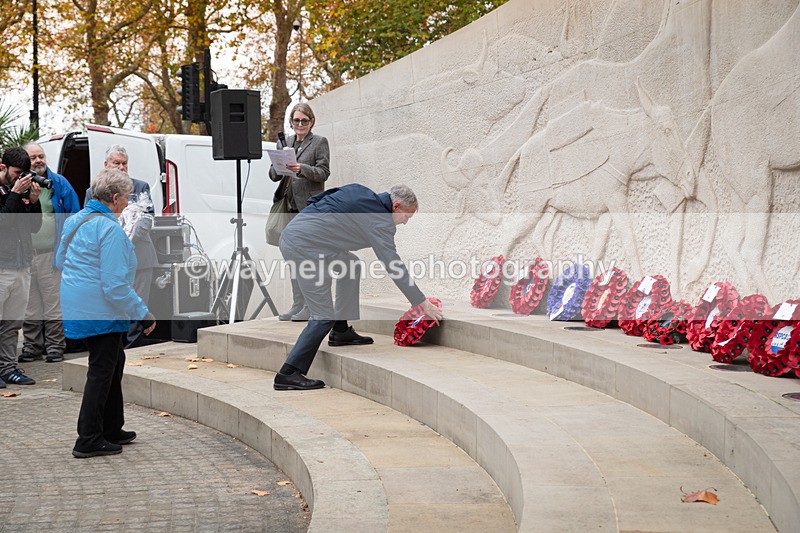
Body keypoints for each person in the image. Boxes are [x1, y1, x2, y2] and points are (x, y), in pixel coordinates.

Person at [274, 183, 443, 391]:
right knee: (323, 315)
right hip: (306, 248)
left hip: (298, 235)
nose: (405, 223)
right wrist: (421, 302)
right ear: (396, 206)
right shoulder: (380, 220)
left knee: (350, 264)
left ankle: (341, 330)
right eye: (406, 217)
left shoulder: (361, 192)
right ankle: (288, 373)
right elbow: (392, 264)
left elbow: (317, 201)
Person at [58, 169, 156, 458]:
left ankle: (112, 427)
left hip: (78, 304)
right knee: (101, 371)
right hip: (100, 309)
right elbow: (114, 285)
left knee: (114, 362)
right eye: (126, 198)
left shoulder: (76, 220)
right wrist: (144, 312)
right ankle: (88, 438)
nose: (127, 203)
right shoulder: (109, 228)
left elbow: (59, 259)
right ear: (114, 198)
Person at [85, 145, 158, 348]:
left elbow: (147, 220)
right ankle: (115, 349)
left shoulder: (140, 187)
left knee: (138, 305)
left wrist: (125, 241)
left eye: (124, 163)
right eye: (116, 162)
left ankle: (133, 350)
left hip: (140, 257)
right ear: (106, 164)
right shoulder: (93, 191)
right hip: (108, 261)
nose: (121, 167)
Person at [18, 143, 80, 364]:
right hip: (24, 255)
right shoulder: (19, 185)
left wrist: (66, 250)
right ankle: (32, 347)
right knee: (30, 306)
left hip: (50, 254)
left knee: (54, 304)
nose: (38, 161)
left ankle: (55, 347)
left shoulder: (60, 183)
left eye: (41, 156)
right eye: (33, 157)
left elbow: (74, 216)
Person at [269, 103, 330, 322]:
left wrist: (300, 169)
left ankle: (311, 307)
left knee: (308, 259)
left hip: (308, 209)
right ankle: (298, 303)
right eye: (296, 121)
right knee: (292, 258)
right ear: (291, 122)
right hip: (287, 208)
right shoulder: (284, 142)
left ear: (312, 121)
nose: (300, 124)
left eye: (305, 120)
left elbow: (323, 172)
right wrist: (279, 165)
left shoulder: (319, 142)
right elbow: (273, 175)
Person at [0, 147, 42, 388]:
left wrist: (34, 202)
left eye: (24, 174)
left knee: (12, 323)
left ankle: (8, 368)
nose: (21, 178)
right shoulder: (12, 190)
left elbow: (33, 227)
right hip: (2, 265)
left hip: (21, 264)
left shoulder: (21, 190)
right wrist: (15, 194)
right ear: (3, 167)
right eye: (17, 173)